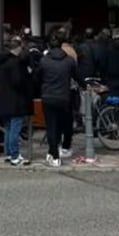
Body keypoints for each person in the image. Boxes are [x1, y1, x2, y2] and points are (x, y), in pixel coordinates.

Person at [38, 34, 77, 167]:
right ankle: (55, 150)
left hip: (48, 96)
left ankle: (54, 154)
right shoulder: (69, 61)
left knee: (51, 126)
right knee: (61, 125)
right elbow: (77, 76)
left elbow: (38, 78)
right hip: (64, 97)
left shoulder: (44, 61)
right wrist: (85, 86)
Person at [0, 36, 32, 166]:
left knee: (8, 128)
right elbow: (18, 82)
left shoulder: (2, 61)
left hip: (5, 99)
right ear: (17, 48)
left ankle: (9, 154)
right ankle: (15, 155)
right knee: (15, 128)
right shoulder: (16, 63)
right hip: (16, 100)